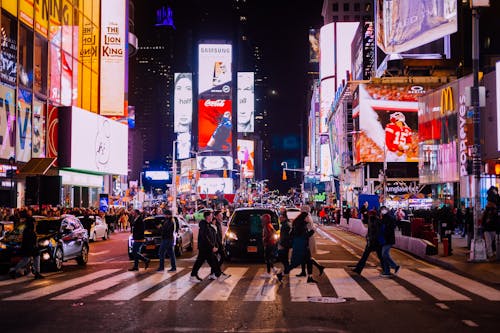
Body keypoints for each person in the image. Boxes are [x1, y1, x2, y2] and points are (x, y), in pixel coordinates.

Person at [190, 211, 230, 282]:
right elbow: (205, 237)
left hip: (206, 247)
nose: (212, 217)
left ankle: (194, 275)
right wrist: (212, 246)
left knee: (206, 261)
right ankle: (218, 275)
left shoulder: (208, 225)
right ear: (207, 217)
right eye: (211, 216)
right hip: (205, 247)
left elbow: (212, 235)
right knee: (211, 261)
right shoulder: (204, 225)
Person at [9, 214, 44, 279]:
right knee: (36, 257)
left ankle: (14, 271)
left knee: (26, 260)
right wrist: (35, 246)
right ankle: (37, 273)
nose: (35, 224)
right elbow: (31, 240)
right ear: (32, 223)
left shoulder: (28, 229)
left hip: (27, 247)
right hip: (30, 247)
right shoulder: (30, 230)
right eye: (34, 222)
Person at [352, 209, 383, 275]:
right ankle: (358, 269)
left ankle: (387, 268)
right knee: (378, 256)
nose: (369, 215)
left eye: (370, 214)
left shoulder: (375, 221)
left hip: (374, 242)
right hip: (373, 241)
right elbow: (370, 231)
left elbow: (375, 232)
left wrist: (370, 240)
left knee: (366, 256)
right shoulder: (372, 220)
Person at [379, 206, 400, 277]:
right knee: (384, 255)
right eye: (381, 210)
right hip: (384, 239)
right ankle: (387, 271)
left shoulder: (389, 218)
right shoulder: (383, 218)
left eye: (383, 210)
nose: (382, 211)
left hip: (388, 239)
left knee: (384, 254)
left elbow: (391, 228)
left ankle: (395, 266)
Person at [209, 210, 227, 279]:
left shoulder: (219, 223)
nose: (222, 216)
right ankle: (216, 272)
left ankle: (215, 272)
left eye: (222, 215)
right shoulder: (215, 223)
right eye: (220, 215)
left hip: (218, 243)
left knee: (217, 259)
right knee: (221, 257)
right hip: (216, 244)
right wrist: (216, 244)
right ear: (216, 216)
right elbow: (214, 235)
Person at [261, 213, 279, 278]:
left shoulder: (267, 226)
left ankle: (270, 272)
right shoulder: (269, 225)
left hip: (269, 244)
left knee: (268, 258)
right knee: (269, 258)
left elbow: (267, 235)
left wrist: (264, 240)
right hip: (271, 243)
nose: (262, 220)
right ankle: (273, 269)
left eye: (263, 219)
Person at [482, 194, 499, 258]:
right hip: (488, 229)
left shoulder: (494, 210)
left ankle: (489, 253)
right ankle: (490, 254)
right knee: (489, 242)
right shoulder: (487, 210)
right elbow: (483, 219)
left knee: (492, 242)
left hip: (492, 228)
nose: (488, 203)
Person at [276, 212, 291, 276]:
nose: (280, 219)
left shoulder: (286, 225)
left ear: (284, 218)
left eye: (281, 217)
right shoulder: (285, 224)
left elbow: (285, 236)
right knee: (284, 258)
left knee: (282, 257)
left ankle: (287, 269)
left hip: (284, 244)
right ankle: (286, 270)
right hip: (285, 243)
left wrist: (282, 243)